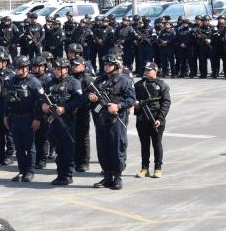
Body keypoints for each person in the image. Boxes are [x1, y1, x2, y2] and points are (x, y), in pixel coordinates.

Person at [88, 53, 135, 190]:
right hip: (101, 118)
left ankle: (117, 177)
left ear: (116, 66)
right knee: (103, 148)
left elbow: (131, 99)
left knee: (117, 148)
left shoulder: (124, 80)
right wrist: (91, 96)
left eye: (109, 64)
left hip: (117, 119)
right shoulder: (99, 80)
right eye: (105, 64)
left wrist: (118, 106)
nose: (106, 67)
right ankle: (107, 176)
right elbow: (90, 93)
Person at [42, 58, 85, 185]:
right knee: (58, 149)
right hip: (53, 121)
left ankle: (67, 175)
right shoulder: (50, 82)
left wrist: (65, 108)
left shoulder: (74, 83)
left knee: (67, 148)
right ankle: (60, 174)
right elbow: (43, 98)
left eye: (58, 69)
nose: (56, 71)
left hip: (67, 121)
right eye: (55, 69)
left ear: (66, 69)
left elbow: (79, 100)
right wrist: (44, 105)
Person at [0, 57, 44, 182]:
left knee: (29, 147)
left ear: (26, 68)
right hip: (15, 118)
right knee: (18, 147)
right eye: (16, 68)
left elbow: (40, 102)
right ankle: (21, 171)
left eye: (20, 68)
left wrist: (37, 119)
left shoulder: (34, 82)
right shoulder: (11, 81)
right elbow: (6, 100)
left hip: (28, 118)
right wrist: (5, 116)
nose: (17, 70)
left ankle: (29, 171)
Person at [133, 63, 171, 178]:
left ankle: (158, 168)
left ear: (155, 71)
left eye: (149, 70)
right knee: (144, 145)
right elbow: (131, 97)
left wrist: (160, 118)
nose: (146, 72)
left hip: (156, 118)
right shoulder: (139, 85)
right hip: (142, 118)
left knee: (157, 144)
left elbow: (166, 102)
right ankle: (144, 169)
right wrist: (134, 103)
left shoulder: (162, 85)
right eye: (146, 70)